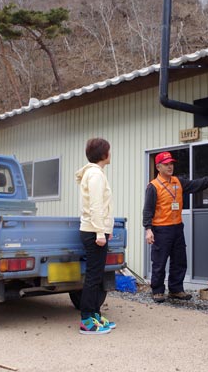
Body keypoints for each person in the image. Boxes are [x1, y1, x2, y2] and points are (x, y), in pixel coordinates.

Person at [143, 151, 208, 303]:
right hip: (161, 229)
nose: (170, 167)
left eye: (171, 164)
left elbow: (196, 185)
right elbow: (147, 210)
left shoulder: (178, 181)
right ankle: (157, 291)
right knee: (159, 262)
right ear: (158, 167)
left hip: (177, 228)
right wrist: (148, 229)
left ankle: (176, 290)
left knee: (179, 260)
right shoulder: (153, 186)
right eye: (166, 164)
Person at [75, 137, 116, 335]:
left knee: (97, 275)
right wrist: (100, 232)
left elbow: (103, 206)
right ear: (104, 154)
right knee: (93, 276)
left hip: (95, 230)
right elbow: (96, 205)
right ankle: (86, 320)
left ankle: (95, 316)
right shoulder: (95, 175)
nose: (110, 153)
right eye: (109, 150)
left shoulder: (94, 173)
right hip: (93, 232)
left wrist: (108, 228)